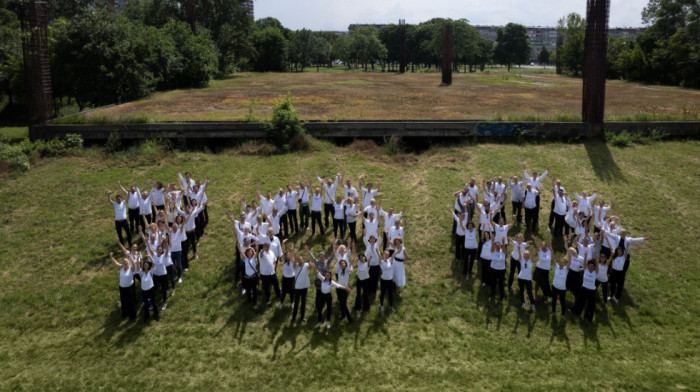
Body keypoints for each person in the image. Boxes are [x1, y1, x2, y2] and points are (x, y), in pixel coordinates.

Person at [111, 240, 136, 321]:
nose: (125, 262)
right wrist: (111, 257)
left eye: (126, 261)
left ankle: (132, 316)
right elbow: (115, 263)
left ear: (128, 262)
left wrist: (130, 257)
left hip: (130, 287)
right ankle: (125, 314)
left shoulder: (131, 268)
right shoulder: (121, 267)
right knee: (124, 301)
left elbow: (133, 263)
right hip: (122, 288)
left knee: (131, 302)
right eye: (124, 261)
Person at [532, 229, 553, 299]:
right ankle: (535, 294)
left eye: (544, 245)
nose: (543, 246)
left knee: (545, 283)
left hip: (546, 270)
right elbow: (536, 245)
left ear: (546, 246)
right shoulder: (539, 251)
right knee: (537, 282)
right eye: (542, 245)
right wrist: (535, 239)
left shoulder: (549, 251)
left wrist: (549, 233)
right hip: (539, 268)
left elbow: (550, 242)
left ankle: (546, 295)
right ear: (541, 246)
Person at [290, 255, 310, 324]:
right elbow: (292, 261)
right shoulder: (296, 266)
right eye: (299, 260)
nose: (300, 261)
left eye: (301, 259)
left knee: (303, 302)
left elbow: (311, 266)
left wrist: (308, 259)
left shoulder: (306, 265)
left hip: (304, 287)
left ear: (303, 260)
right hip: (298, 288)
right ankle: (293, 318)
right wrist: (292, 253)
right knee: (296, 303)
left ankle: (302, 316)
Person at [334, 259, 354, 324]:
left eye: (344, 263)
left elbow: (350, 264)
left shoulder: (347, 270)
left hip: (344, 289)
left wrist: (353, 258)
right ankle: (343, 315)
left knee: (344, 304)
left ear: (345, 264)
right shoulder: (339, 271)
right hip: (338, 288)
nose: (343, 264)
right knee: (340, 303)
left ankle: (350, 319)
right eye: (341, 264)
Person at [516, 245, 536, 310]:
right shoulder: (521, 260)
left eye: (528, 254)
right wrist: (519, 250)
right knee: (521, 291)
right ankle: (523, 303)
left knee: (529, 292)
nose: (526, 255)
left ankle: (532, 304)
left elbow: (532, 256)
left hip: (528, 279)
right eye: (525, 254)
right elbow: (519, 255)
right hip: (521, 278)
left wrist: (531, 250)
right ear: (523, 255)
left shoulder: (531, 261)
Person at [279, 239, 295, 310]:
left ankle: (292, 303)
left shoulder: (292, 260)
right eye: (287, 254)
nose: (288, 255)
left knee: (292, 292)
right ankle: (281, 303)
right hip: (285, 279)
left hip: (292, 279)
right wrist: (283, 243)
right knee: (284, 292)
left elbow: (291, 253)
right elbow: (283, 250)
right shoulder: (285, 261)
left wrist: (292, 249)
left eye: (289, 254)